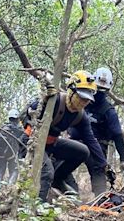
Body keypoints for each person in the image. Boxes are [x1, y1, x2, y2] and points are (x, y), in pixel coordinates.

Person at [24, 70, 107, 201]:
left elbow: (91, 140)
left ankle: (58, 178)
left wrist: (103, 164)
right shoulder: (54, 100)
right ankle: (37, 206)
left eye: (87, 100)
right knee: (46, 172)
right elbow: (29, 112)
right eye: (81, 97)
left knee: (83, 151)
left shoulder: (81, 116)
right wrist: (44, 100)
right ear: (71, 91)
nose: (83, 103)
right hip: (30, 142)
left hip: (51, 144)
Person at [68, 67, 124, 196]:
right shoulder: (79, 100)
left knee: (98, 170)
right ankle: (68, 193)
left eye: (104, 90)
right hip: (75, 141)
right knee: (61, 164)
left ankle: (100, 200)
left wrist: (123, 159)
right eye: (98, 88)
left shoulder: (108, 111)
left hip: (97, 146)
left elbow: (117, 134)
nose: (100, 92)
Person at [0, 109, 28, 184]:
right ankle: (10, 186)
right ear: (17, 118)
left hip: (0, 154)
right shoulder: (18, 130)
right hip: (12, 155)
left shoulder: (3, 128)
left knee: (0, 171)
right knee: (14, 170)